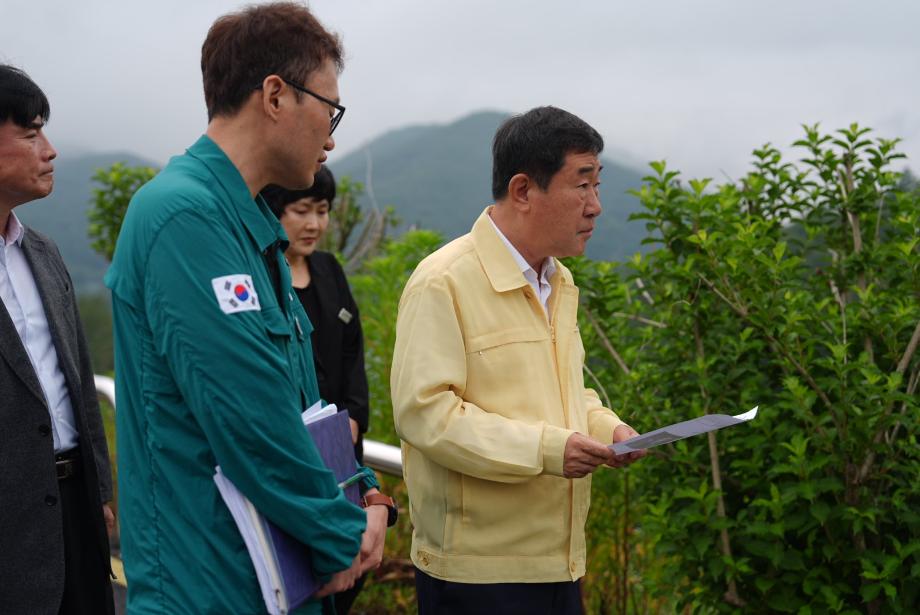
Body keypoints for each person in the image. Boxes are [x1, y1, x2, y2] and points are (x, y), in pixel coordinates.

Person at [105, 4, 393, 613]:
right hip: (209, 584)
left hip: (275, 580)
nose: (332, 134)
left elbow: (302, 402)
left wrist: (366, 496)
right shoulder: (184, 216)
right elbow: (249, 418)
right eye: (329, 109)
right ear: (275, 96)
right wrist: (343, 534)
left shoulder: (251, 226)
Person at [391, 106, 647, 615]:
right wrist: (550, 450)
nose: (595, 206)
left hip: (560, 564)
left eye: (598, 185)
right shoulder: (443, 281)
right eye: (582, 185)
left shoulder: (559, 282)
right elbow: (425, 414)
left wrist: (608, 428)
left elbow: (564, 393)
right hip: (477, 576)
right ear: (524, 190)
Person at [0, 64, 115, 615]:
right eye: (30, 132)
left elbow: (76, 379)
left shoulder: (42, 252)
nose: (49, 150)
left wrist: (101, 488)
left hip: (74, 505)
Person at [262, 165, 376, 615]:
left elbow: (352, 353)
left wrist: (352, 415)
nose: (314, 224)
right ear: (275, 212)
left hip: (343, 450)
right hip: (296, 448)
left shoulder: (329, 269)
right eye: (301, 210)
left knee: (351, 561)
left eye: (323, 211)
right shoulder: (266, 275)